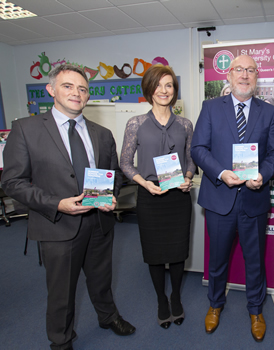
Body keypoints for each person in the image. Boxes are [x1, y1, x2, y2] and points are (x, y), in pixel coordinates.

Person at [1, 64, 135, 350]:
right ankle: (61, 340)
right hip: (57, 225)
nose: (76, 93)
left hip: (99, 222)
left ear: (88, 96)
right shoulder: (26, 129)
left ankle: (107, 316)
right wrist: (57, 204)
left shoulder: (102, 133)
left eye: (82, 89)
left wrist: (111, 195)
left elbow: (115, 174)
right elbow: (13, 182)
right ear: (51, 90)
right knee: (62, 291)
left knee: (101, 278)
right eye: (68, 86)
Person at [191, 55, 274, 342]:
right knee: (217, 261)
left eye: (251, 71)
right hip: (220, 198)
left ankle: (256, 309)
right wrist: (220, 172)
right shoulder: (209, 108)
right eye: (239, 70)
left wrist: (263, 175)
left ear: (257, 77)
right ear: (229, 76)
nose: (245, 75)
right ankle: (215, 304)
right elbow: (198, 149)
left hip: (253, 201)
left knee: (254, 260)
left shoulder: (268, 112)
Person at [120, 65, 195, 329]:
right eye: (158, 85)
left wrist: (187, 177)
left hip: (177, 198)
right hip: (150, 196)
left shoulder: (185, 124)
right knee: (154, 253)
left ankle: (175, 296)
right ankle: (161, 300)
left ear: (174, 91)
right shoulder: (136, 123)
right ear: (149, 90)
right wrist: (144, 184)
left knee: (176, 252)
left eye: (169, 85)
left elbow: (191, 159)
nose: (163, 91)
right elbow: (126, 163)